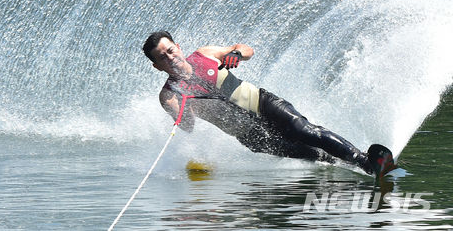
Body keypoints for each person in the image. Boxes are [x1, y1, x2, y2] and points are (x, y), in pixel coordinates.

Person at [142, 30, 378, 173]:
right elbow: (188, 127)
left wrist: (236, 54)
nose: (170, 57)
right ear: (157, 66)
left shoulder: (205, 54)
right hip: (250, 135)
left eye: (171, 50)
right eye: (163, 57)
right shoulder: (169, 95)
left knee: (305, 130)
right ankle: (343, 163)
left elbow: (246, 49)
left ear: (178, 47)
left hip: (263, 103)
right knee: (310, 153)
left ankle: (366, 161)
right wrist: (183, 110)